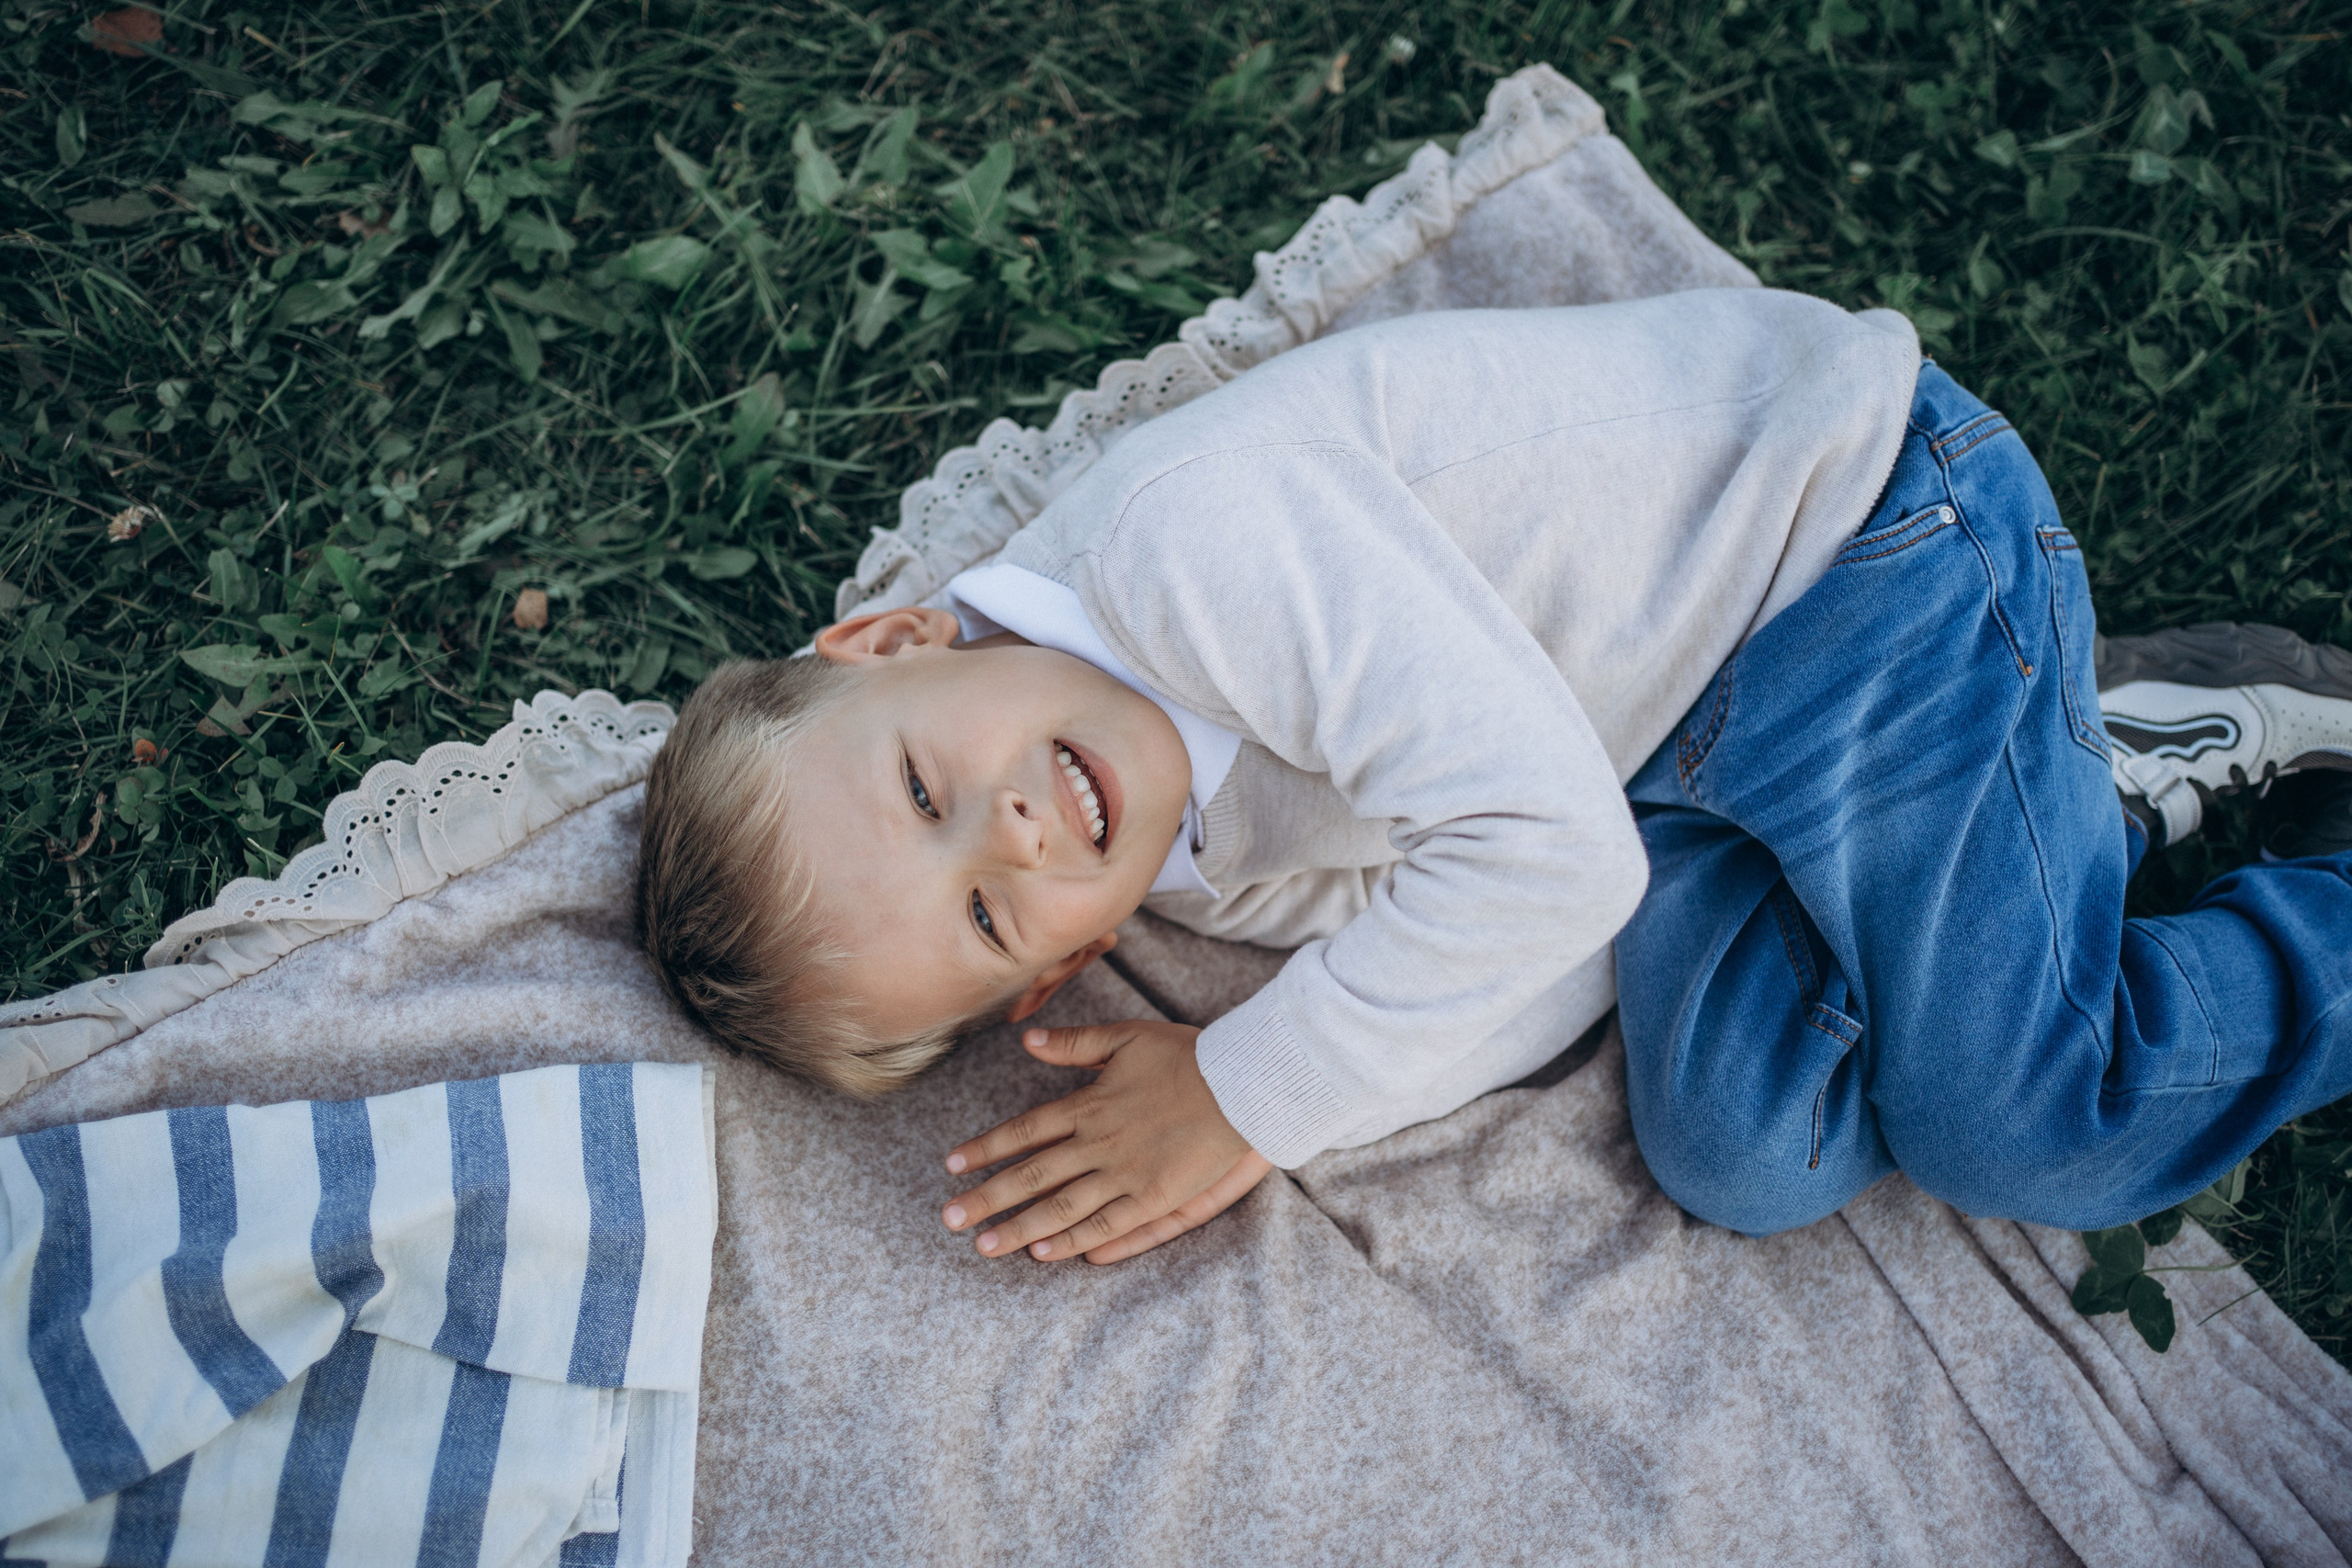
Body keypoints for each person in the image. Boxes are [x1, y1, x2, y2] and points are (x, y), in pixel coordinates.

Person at [635, 287, 2352, 1263]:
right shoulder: (1175, 845)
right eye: (994, 915)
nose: (1009, 834)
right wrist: (1315, 1059)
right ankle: (2083, 773)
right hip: (1657, 759)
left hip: (1858, 556)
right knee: (1747, 1160)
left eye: (931, 792)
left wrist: (1251, 1091)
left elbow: (1541, 870)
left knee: (2023, 1117)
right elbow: (1545, 936)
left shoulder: (1198, 553)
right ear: (1064, 966)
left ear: (890, 643)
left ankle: (2157, 832)